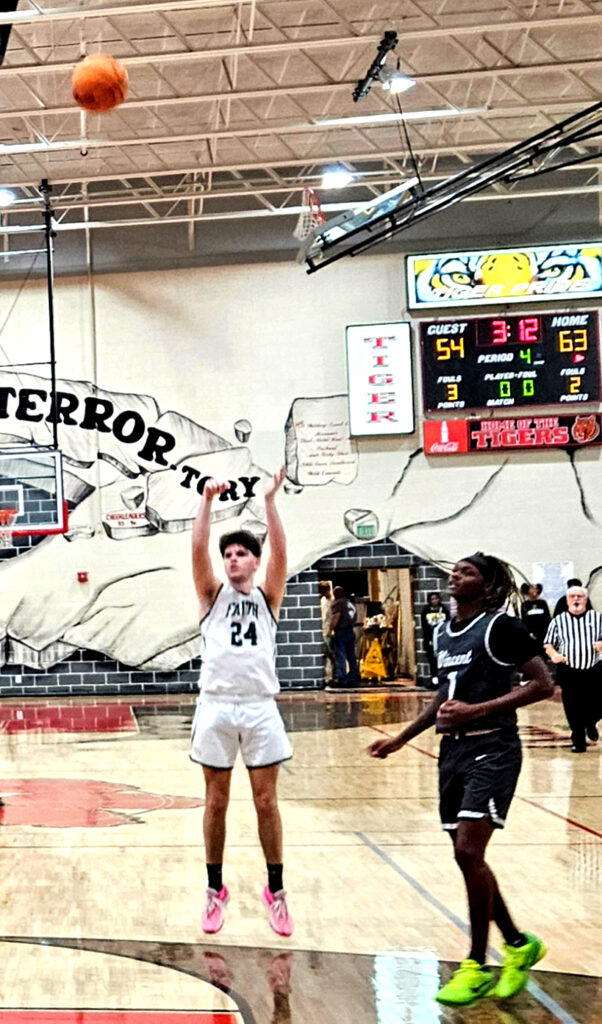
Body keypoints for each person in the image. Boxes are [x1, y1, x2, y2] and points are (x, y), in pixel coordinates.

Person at [368, 553, 554, 1008]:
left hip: (494, 748)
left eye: (467, 572)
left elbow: (543, 684)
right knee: (467, 857)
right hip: (452, 752)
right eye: (455, 570)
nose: (456, 575)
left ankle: (476, 965)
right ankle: (516, 942)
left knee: (469, 850)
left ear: (488, 586)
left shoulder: (500, 627)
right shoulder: (442, 632)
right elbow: (442, 699)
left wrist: (479, 710)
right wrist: (401, 738)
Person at [190, 467, 293, 937]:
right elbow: (196, 551)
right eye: (227, 554)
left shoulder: (269, 596)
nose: (232, 560)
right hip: (215, 705)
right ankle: (215, 890)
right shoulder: (211, 595)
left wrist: (270, 500)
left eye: (240, 554)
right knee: (216, 802)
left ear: (254, 561)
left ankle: (276, 890)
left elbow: (282, 553)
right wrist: (207, 502)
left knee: (266, 801)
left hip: (258, 706)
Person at [544, 586, 602, 752]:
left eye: (580, 596)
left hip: (593, 668)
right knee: (572, 705)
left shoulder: (597, 618)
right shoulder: (558, 620)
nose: (576, 599)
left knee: (597, 700)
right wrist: (554, 654)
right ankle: (578, 740)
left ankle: (590, 722)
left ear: (585, 599)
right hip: (569, 670)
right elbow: (548, 643)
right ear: (567, 600)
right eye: (572, 597)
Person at [329, 585, 360, 688]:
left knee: (340, 655)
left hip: (341, 632)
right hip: (350, 631)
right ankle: (354, 676)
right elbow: (355, 617)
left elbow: (336, 617)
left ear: (336, 594)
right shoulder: (350, 603)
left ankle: (342, 678)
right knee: (351, 655)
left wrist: (330, 629)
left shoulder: (338, 603)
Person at [421, 592, 450, 687]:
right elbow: (424, 626)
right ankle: (434, 679)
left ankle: (442, 678)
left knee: (441, 658)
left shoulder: (444, 610)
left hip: (441, 638)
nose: (434, 601)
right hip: (430, 638)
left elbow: (448, 623)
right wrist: (429, 638)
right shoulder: (426, 611)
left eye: (436, 599)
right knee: (432, 659)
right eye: (432, 599)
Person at [319, 581, 334, 683]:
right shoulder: (322, 601)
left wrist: (331, 630)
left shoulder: (333, 601)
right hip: (323, 630)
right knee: (324, 655)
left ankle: (332, 676)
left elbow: (333, 617)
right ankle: (325, 676)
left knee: (332, 655)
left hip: (330, 632)